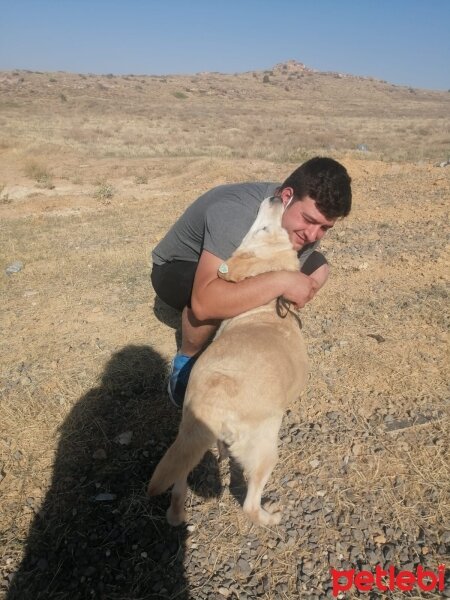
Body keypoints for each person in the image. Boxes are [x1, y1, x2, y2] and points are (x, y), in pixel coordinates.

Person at [151, 156, 352, 406]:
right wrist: (280, 281)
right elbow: (205, 302)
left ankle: (250, 340)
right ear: (286, 196)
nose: (313, 234)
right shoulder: (236, 214)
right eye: (309, 220)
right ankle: (186, 362)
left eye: (324, 227)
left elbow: (287, 271)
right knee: (220, 296)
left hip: (240, 259)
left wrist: (280, 282)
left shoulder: (305, 227)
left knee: (318, 268)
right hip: (177, 268)